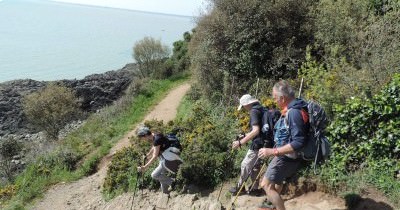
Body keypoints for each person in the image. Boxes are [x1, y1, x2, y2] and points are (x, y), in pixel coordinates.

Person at [258, 80, 309, 210]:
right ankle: (272, 206)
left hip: (286, 156)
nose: (274, 101)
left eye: (275, 98)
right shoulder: (297, 107)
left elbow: (299, 142)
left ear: (282, 98)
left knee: (266, 185)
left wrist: (272, 151)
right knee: (276, 183)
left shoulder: (293, 112)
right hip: (289, 156)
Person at [229, 94, 265, 196]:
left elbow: (256, 131)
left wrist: (241, 142)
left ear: (247, 104)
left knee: (245, 165)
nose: (244, 109)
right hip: (264, 142)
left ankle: (240, 188)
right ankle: (254, 188)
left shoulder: (253, 111)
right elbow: (259, 129)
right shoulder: (260, 108)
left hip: (257, 143)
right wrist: (245, 135)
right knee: (255, 166)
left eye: (243, 106)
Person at [136, 126, 183, 194]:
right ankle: (166, 191)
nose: (143, 140)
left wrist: (145, 167)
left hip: (168, 159)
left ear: (145, 135)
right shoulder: (155, 134)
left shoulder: (156, 140)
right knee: (163, 185)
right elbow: (155, 146)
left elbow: (155, 156)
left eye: (142, 138)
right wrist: (148, 155)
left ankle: (174, 183)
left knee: (154, 175)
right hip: (168, 156)